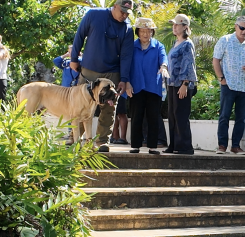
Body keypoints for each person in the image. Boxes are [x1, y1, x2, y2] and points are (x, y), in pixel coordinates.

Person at [70, 0, 134, 152]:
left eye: (127, 13)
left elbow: (126, 56)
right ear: (115, 6)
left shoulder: (127, 28)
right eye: (122, 12)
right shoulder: (94, 15)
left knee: (109, 108)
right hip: (89, 70)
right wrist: (73, 59)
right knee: (80, 105)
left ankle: (102, 141)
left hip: (112, 72)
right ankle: (75, 138)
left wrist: (124, 79)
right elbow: (80, 35)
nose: (124, 15)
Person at [213, 16, 245, 155]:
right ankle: (222, 146)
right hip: (229, 85)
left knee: (241, 118)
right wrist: (221, 79)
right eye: (242, 28)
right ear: (236, 26)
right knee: (224, 116)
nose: (244, 31)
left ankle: (235, 146)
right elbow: (216, 60)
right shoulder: (225, 40)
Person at [125, 17, 169, 154]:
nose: (145, 34)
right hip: (136, 86)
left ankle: (152, 146)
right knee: (136, 116)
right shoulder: (131, 46)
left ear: (152, 32)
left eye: (148, 31)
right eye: (142, 31)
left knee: (153, 117)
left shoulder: (158, 46)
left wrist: (164, 67)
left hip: (153, 86)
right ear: (138, 32)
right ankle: (135, 145)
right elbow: (126, 66)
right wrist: (127, 82)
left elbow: (164, 58)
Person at [164, 14, 197, 155]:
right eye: (174, 24)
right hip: (172, 83)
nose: (174, 27)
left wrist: (185, 83)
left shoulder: (187, 44)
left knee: (181, 114)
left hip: (182, 84)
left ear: (185, 27)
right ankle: (174, 144)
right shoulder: (176, 43)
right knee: (172, 114)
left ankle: (185, 146)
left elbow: (188, 64)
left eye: (177, 24)